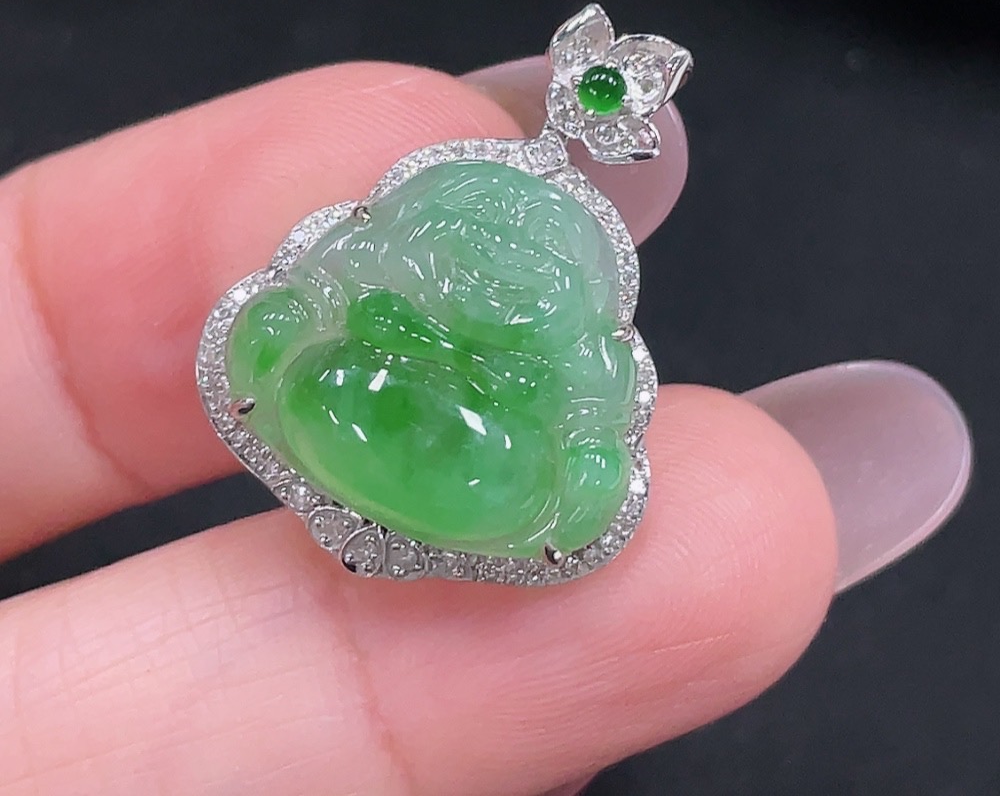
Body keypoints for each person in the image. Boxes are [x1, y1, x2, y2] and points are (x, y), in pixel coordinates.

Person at [0, 58, 969, 796]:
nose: (488, 282)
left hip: (489, 469)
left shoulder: (583, 353)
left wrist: (569, 459)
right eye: (461, 252)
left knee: (550, 477)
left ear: (577, 296)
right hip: (350, 397)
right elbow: (283, 316)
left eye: (528, 275)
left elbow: (593, 438)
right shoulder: (362, 272)